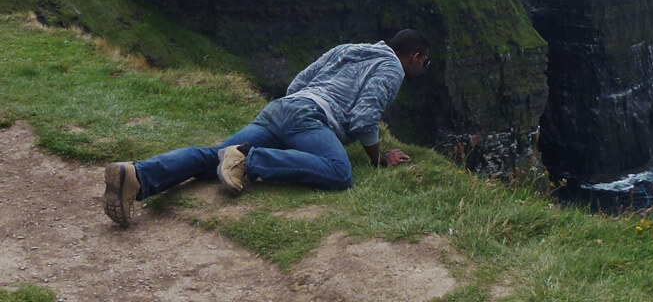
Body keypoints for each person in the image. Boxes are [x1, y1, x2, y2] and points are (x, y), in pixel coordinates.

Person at [103, 29, 431, 227]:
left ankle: (137, 174)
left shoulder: (350, 49)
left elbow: (300, 81)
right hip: (311, 116)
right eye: (425, 62)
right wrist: (378, 158)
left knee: (212, 157)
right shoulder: (392, 69)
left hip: (282, 108)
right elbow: (364, 118)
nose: (423, 68)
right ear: (414, 57)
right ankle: (248, 159)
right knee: (340, 172)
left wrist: (292, 125)